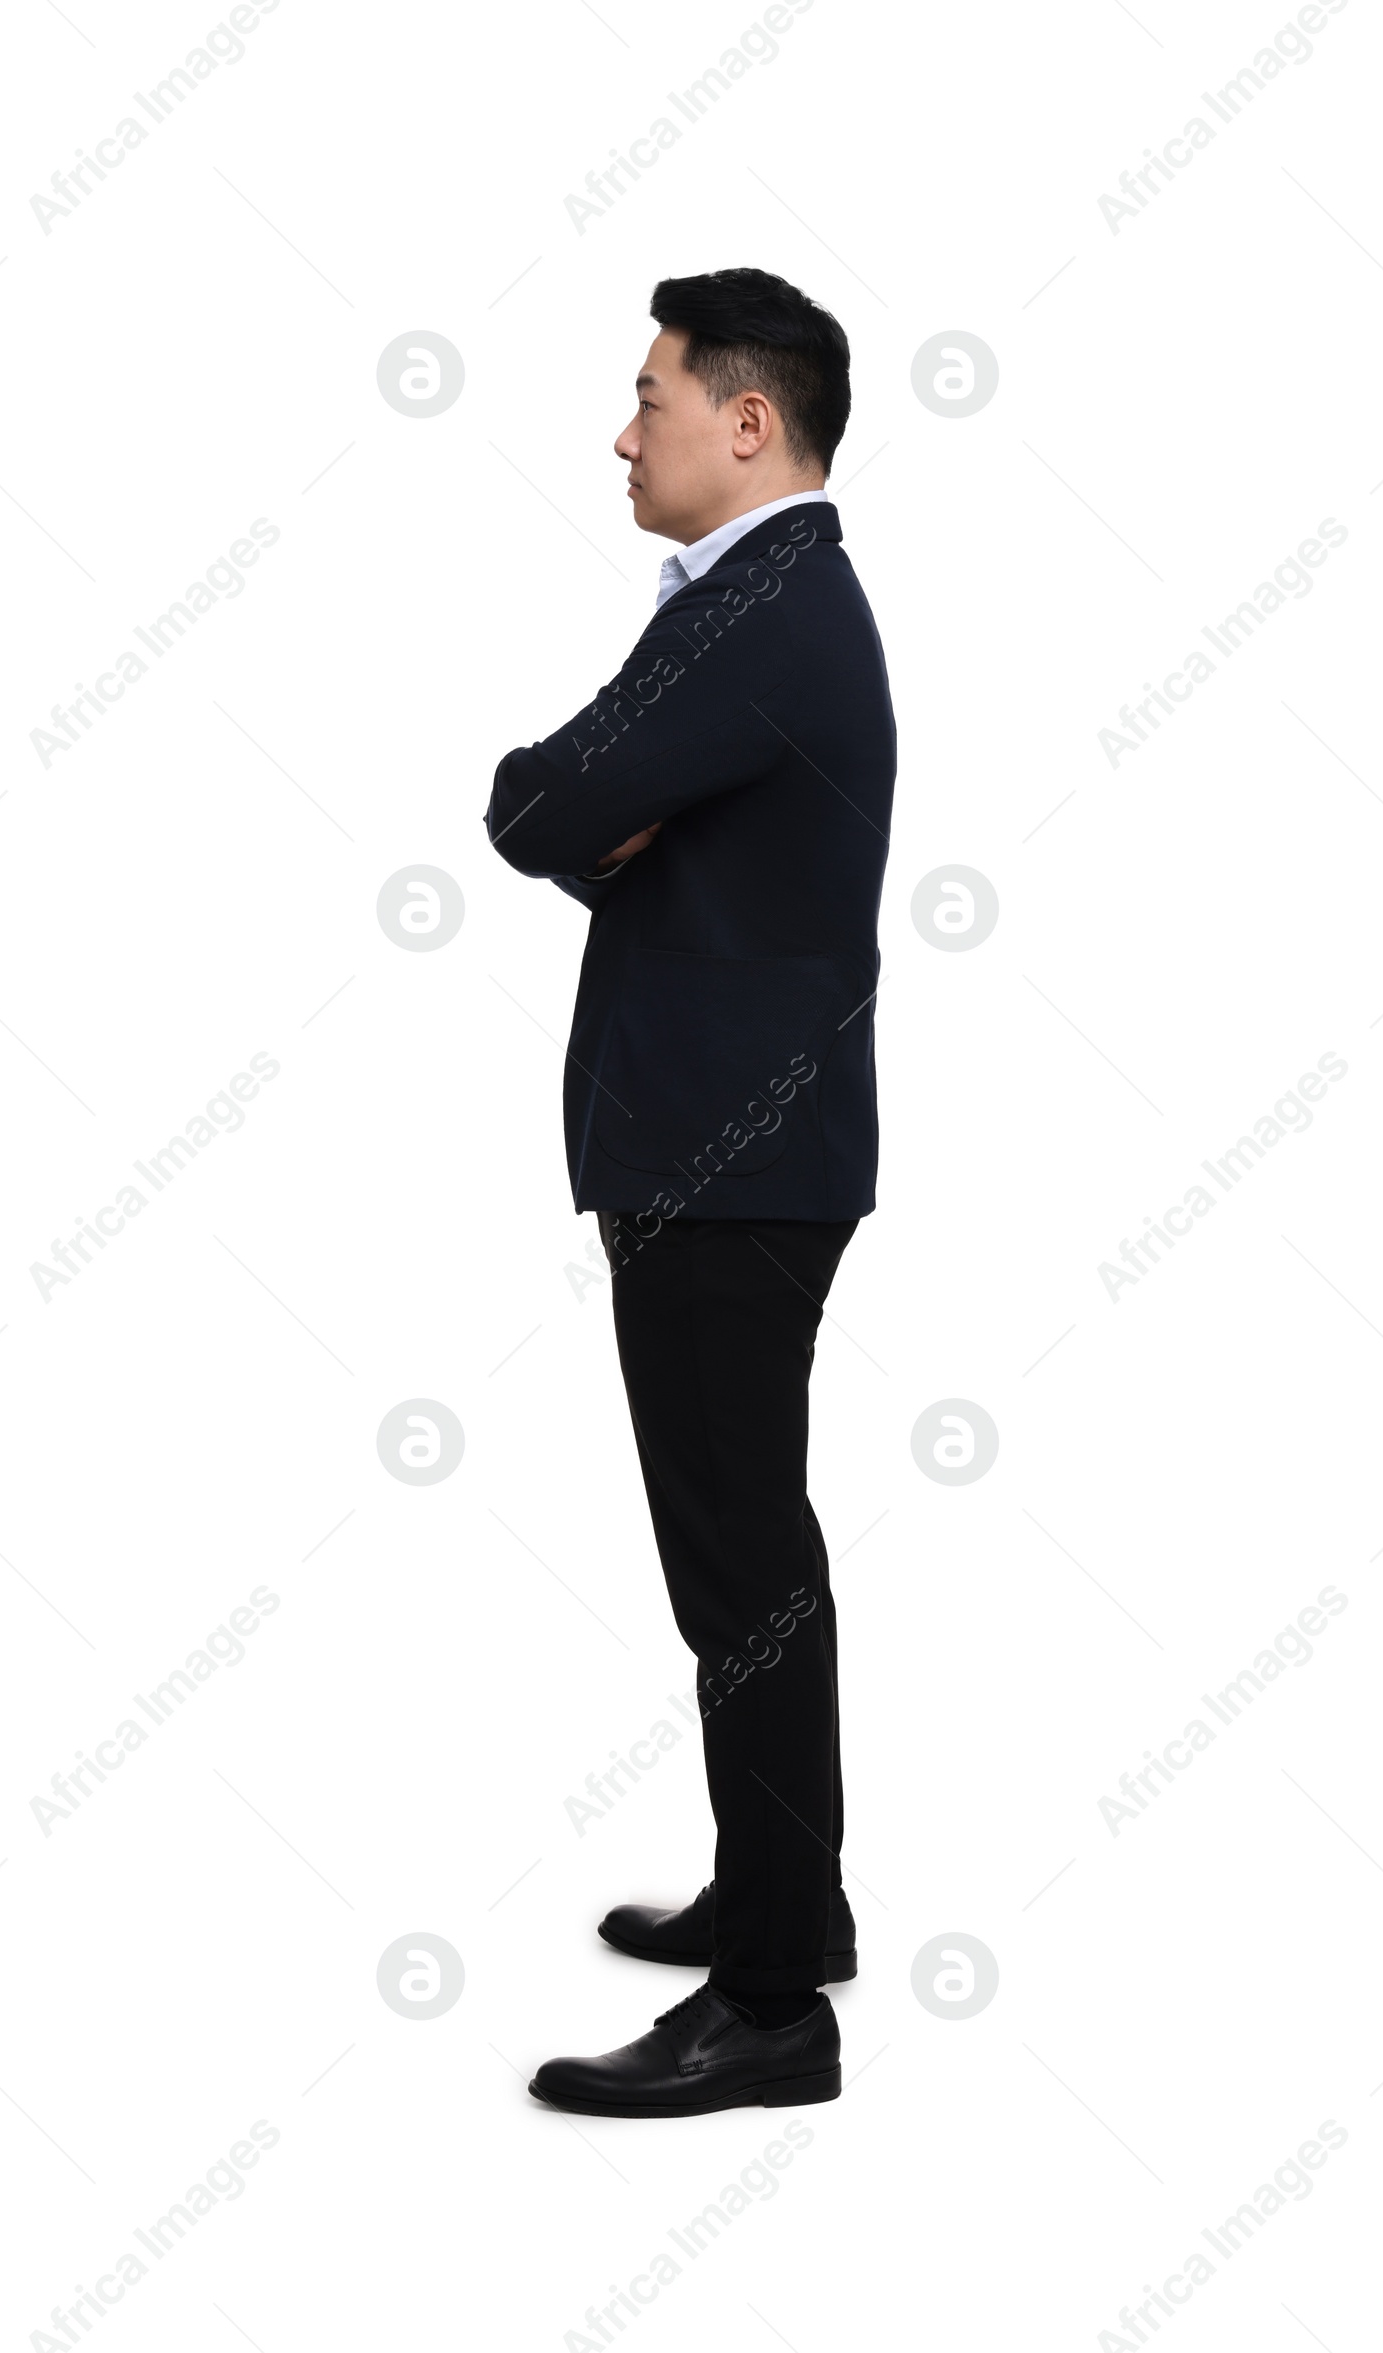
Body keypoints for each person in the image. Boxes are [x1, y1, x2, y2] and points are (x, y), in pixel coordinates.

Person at [484, 266, 896, 2117]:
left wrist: (596, 813)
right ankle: (773, 1890)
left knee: (745, 1570)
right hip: (720, 1152)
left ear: (751, 420)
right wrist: (597, 809)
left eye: (650, 393)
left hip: (731, 1164)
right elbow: (571, 799)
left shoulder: (767, 614)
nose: (622, 426)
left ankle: (772, 2008)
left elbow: (542, 804)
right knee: (742, 1559)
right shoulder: (752, 605)